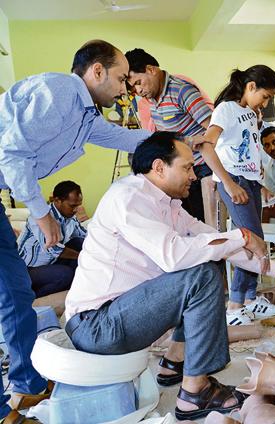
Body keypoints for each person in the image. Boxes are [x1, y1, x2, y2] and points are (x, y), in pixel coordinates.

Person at [64, 132, 275, 420]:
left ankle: (174, 361)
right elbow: (175, 255)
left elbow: (215, 242)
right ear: (160, 167)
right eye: (187, 167)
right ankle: (194, 392)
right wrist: (242, 235)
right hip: (97, 326)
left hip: (117, 316)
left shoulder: (168, 205)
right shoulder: (129, 198)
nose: (193, 174)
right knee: (200, 273)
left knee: (205, 258)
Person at [0, 39, 153, 423]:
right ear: (96, 71)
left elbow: (118, 137)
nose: (124, 88)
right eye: (120, 79)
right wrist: (41, 214)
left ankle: (27, 387)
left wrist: (171, 141)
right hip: (15, 190)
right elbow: (14, 154)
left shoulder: (83, 115)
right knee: (12, 291)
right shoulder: (59, 92)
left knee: (16, 291)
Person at [197, 65, 275, 325]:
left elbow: (251, 151)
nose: (266, 103)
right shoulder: (226, 109)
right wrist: (228, 183)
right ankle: (234, 306)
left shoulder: (251, 112)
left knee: (257, 239)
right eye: (265, 96)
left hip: (251, 181)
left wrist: (261, 184)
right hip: (235, 180)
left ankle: (248, 299)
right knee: (250, 240)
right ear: (251, 86)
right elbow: (205, 146)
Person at [125, 48, 214, 222]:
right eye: (133, 87)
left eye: (138, 82)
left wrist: (198, 143)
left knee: (204, 223)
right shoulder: (152, 101)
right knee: (186, 223)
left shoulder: (181, 90)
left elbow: (213, 128)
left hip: (202, 168)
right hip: (181, 170)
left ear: (151, 70)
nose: (138, 91)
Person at [17, 181, 86, 298]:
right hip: (27, 269)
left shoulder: (70, 218)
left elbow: (85, 236)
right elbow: (55, 249)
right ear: (57, 200)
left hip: (50, 263)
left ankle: (74, 285)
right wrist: (84, 256)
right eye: (72, 205)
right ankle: (30, 298)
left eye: (78, 205)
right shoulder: (40, 218)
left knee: (79, 242)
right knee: (66, 275)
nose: (76, 210)